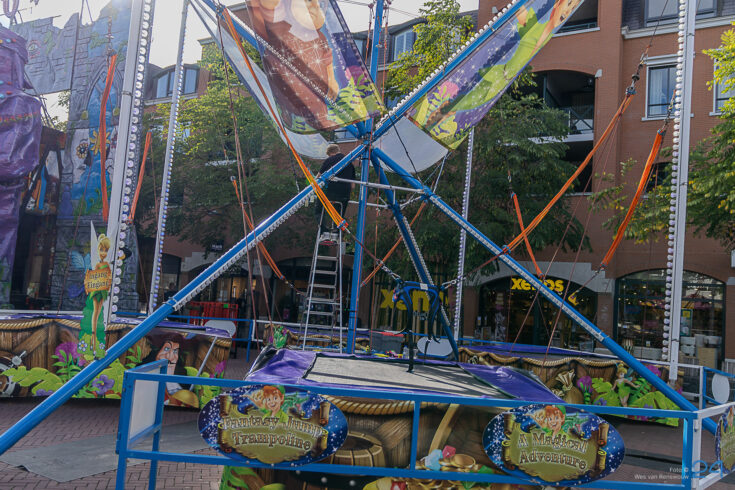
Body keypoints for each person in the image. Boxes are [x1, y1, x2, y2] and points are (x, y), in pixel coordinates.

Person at [314, 143, 354, 235]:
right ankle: (337, 230)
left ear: (330, 153)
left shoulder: (329, 160)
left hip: (331, 192)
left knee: (318, 209)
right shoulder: (349, 162)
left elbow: (318, 178)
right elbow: (352, 185)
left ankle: (323, 229)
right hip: (345, 194)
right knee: (339, 213)